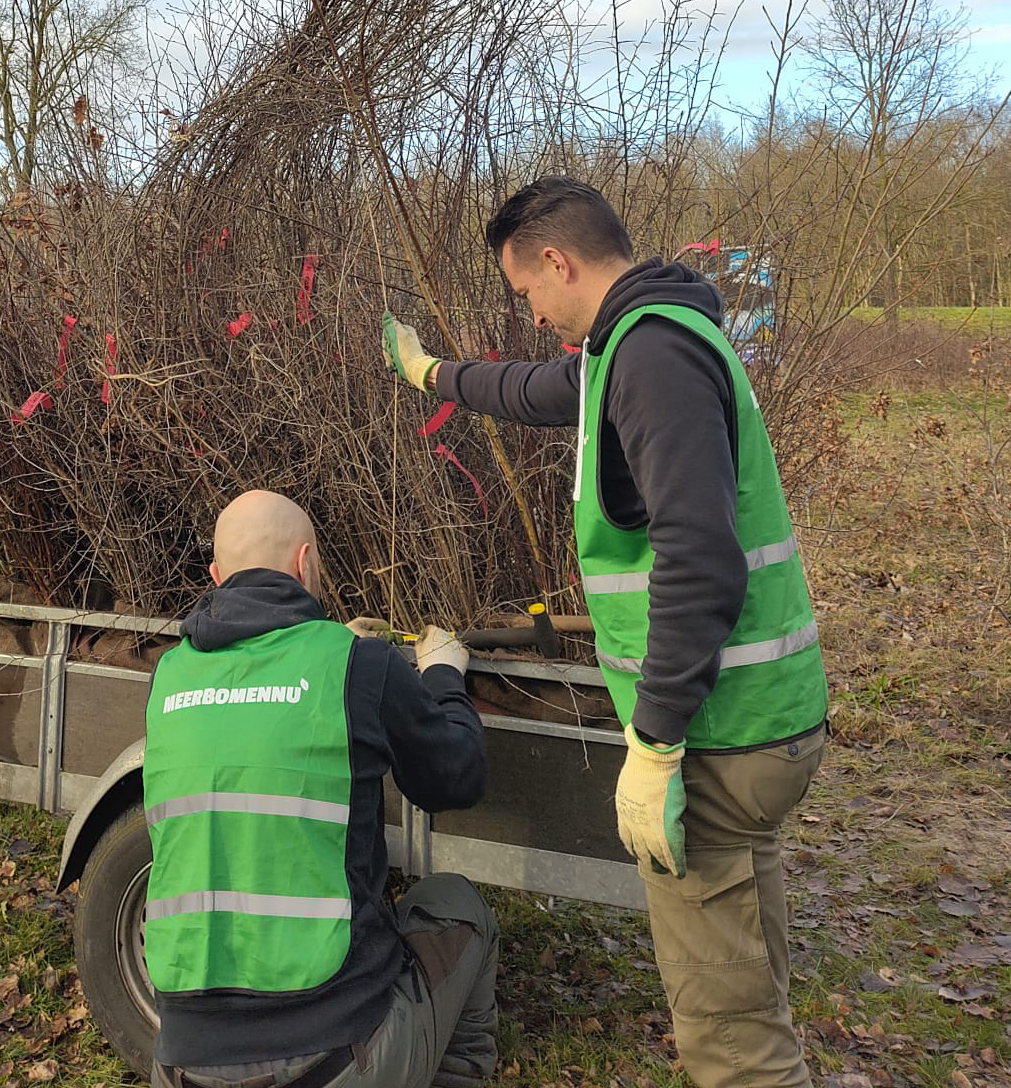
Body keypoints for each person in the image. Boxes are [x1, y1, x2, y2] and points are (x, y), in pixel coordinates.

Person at [381, 177, 829, 1088]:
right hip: (757, 721)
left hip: (719, 735)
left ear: (557, 261)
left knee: (731, 1043)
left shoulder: (652, 356)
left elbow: (700, 557)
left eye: (526, 291)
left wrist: (656, 742)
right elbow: (534, 387)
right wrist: (432, 373)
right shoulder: (636, 343)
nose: (532, 314)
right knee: (748, 987)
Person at [142, 489, 499, 1088]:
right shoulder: (358, 667)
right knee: (459, 904)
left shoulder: (168, 676)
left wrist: (331, 643)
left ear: (216, 576)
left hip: (182, 1063)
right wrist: (442, 673)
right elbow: (456, 777)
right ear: (306, 563)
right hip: (335, 1057)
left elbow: (257, 702)